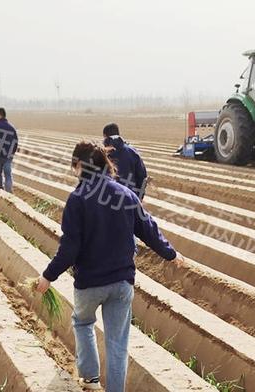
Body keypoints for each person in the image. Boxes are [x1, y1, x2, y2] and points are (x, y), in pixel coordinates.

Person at [36, 141, 184, 392]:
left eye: (73, 165)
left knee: (83, 323)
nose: (73, 170)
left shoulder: (77, 199)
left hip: (90, 283)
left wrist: (47, 276)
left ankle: (91, 379)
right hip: (121, 282)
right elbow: (148, 229)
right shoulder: (125, 194)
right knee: (117, 343)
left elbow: (69, 249)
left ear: (80, 166)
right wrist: (171, 254)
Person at [102, 123, 148, 199]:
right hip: (130, 197)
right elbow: (142, 176)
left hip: (108, 199)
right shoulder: (132, 151)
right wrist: (138, 198)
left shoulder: (101, 153)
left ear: (105, 136)